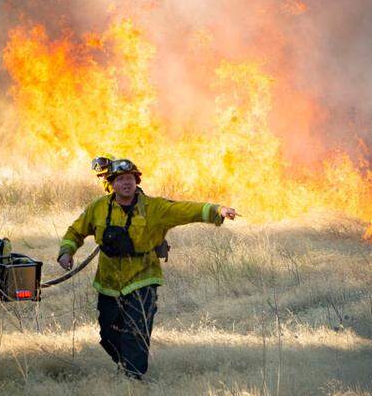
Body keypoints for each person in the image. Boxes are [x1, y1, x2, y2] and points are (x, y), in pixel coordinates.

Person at [58, 157, 239, 378]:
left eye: (130, 178)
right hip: (109, 281)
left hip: (143, 277)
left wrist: (217, 210)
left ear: (136, 181)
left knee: (137, 329)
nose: (126, 183)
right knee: (108, 333)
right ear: (111, 184)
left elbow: (185, 209)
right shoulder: (98, 208)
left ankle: (133, 378)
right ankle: (125, 363)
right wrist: (66, 252)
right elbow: (76, 231)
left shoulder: (154, 208)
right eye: (121, 179)